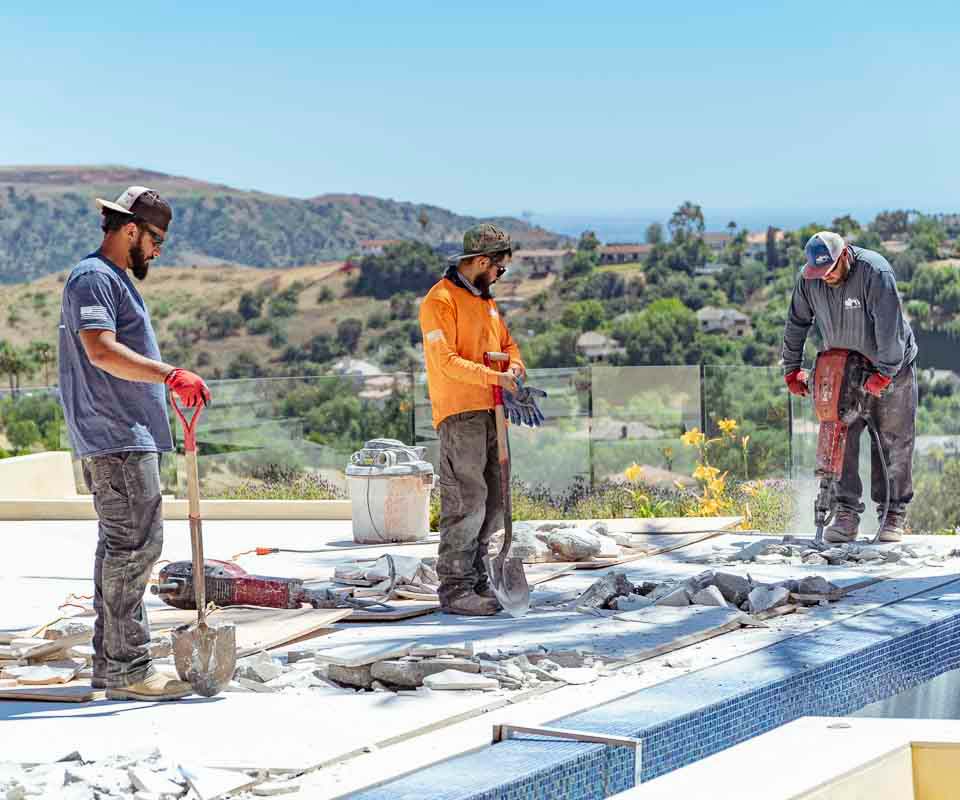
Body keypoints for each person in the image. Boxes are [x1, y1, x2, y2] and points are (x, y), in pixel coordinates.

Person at [58, 187, 212, 700]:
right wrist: (170, 376)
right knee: (135, 548)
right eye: (156, 239)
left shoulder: (112, 280)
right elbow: (101, 351)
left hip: (123, 433)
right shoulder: (94, 278)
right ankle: (128, 669)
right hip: (115, 435)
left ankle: (115, 664)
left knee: (122, 549)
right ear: (130, 230)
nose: (159, 250)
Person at [419, 224, 544, 615]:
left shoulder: (486, 303)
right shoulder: (440, 301)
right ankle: (455, 589)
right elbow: (447, 363)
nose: (500, 277)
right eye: (499, 270)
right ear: (482, 262)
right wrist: (497, 378)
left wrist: (516, 371)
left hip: (493, 411)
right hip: (461, 414)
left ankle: (478, 580)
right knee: (467, 499)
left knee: (494, 501)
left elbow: (507, 345)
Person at [782, 231, 918, 543]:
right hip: (842, 367)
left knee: (892, 441)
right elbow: (796, 323)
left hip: (891, 368)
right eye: (819, 273)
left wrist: (884, 373)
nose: (825, 277)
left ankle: (892, 513)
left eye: (829, 270)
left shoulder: (875, 272)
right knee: (839, 439)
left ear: (844, 255)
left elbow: (890, 328)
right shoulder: (809, 280)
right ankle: (845, 514)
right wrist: (791, 369)